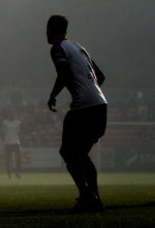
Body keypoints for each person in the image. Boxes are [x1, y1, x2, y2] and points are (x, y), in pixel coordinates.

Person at [46, 14, 107, 212]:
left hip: (85, 107)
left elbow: (62, 72)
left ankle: (87, 195)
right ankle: (93, 198)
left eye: (47, 29)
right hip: (100, 105)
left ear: (52, 29)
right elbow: (101, 77)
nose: (45, 33)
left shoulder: (58, 49)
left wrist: (53, 95)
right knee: (80, 153)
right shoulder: (79, 47)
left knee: (68, 152)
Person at [1, 110, 22, 179]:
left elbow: (23, 128)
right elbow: (0, 130)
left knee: (18, 157)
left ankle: (18, 173)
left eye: (14, 115)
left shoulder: (18, 122)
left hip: (16, 142)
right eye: (11, 115)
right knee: (8, 159)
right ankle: (9, 174)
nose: (13, 116)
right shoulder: (4, 122)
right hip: (8, 143)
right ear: (8, 116)